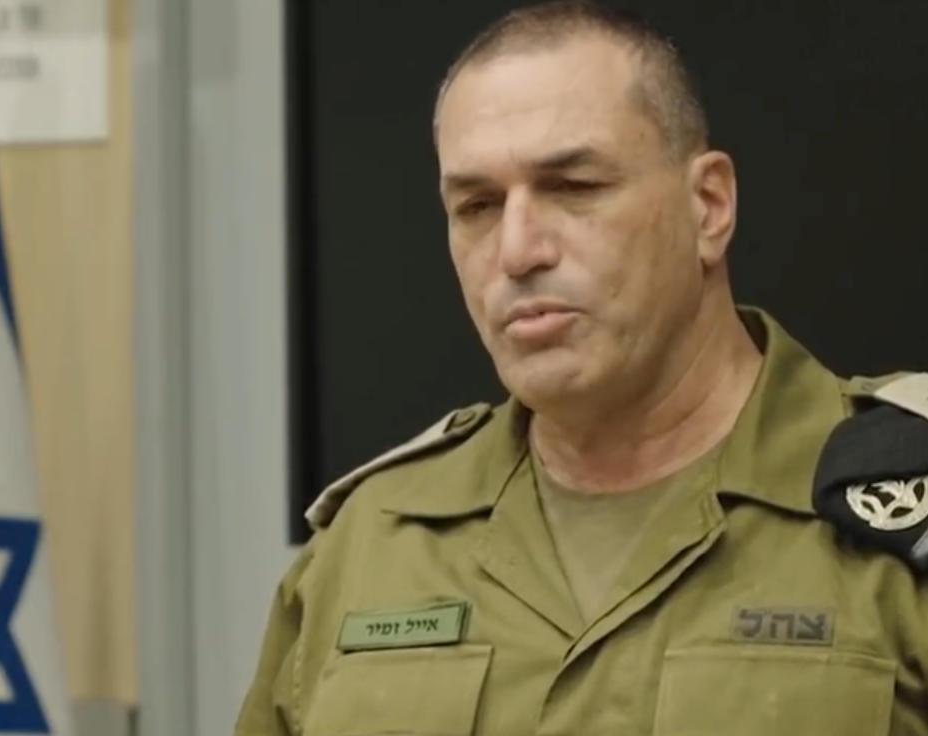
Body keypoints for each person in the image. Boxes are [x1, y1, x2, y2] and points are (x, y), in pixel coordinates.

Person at [235, 2, 928, 734]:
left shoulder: (900, 517)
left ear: (708, 206)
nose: (516, 251)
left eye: (573, 188)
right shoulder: (371, 545)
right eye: (476, 205)